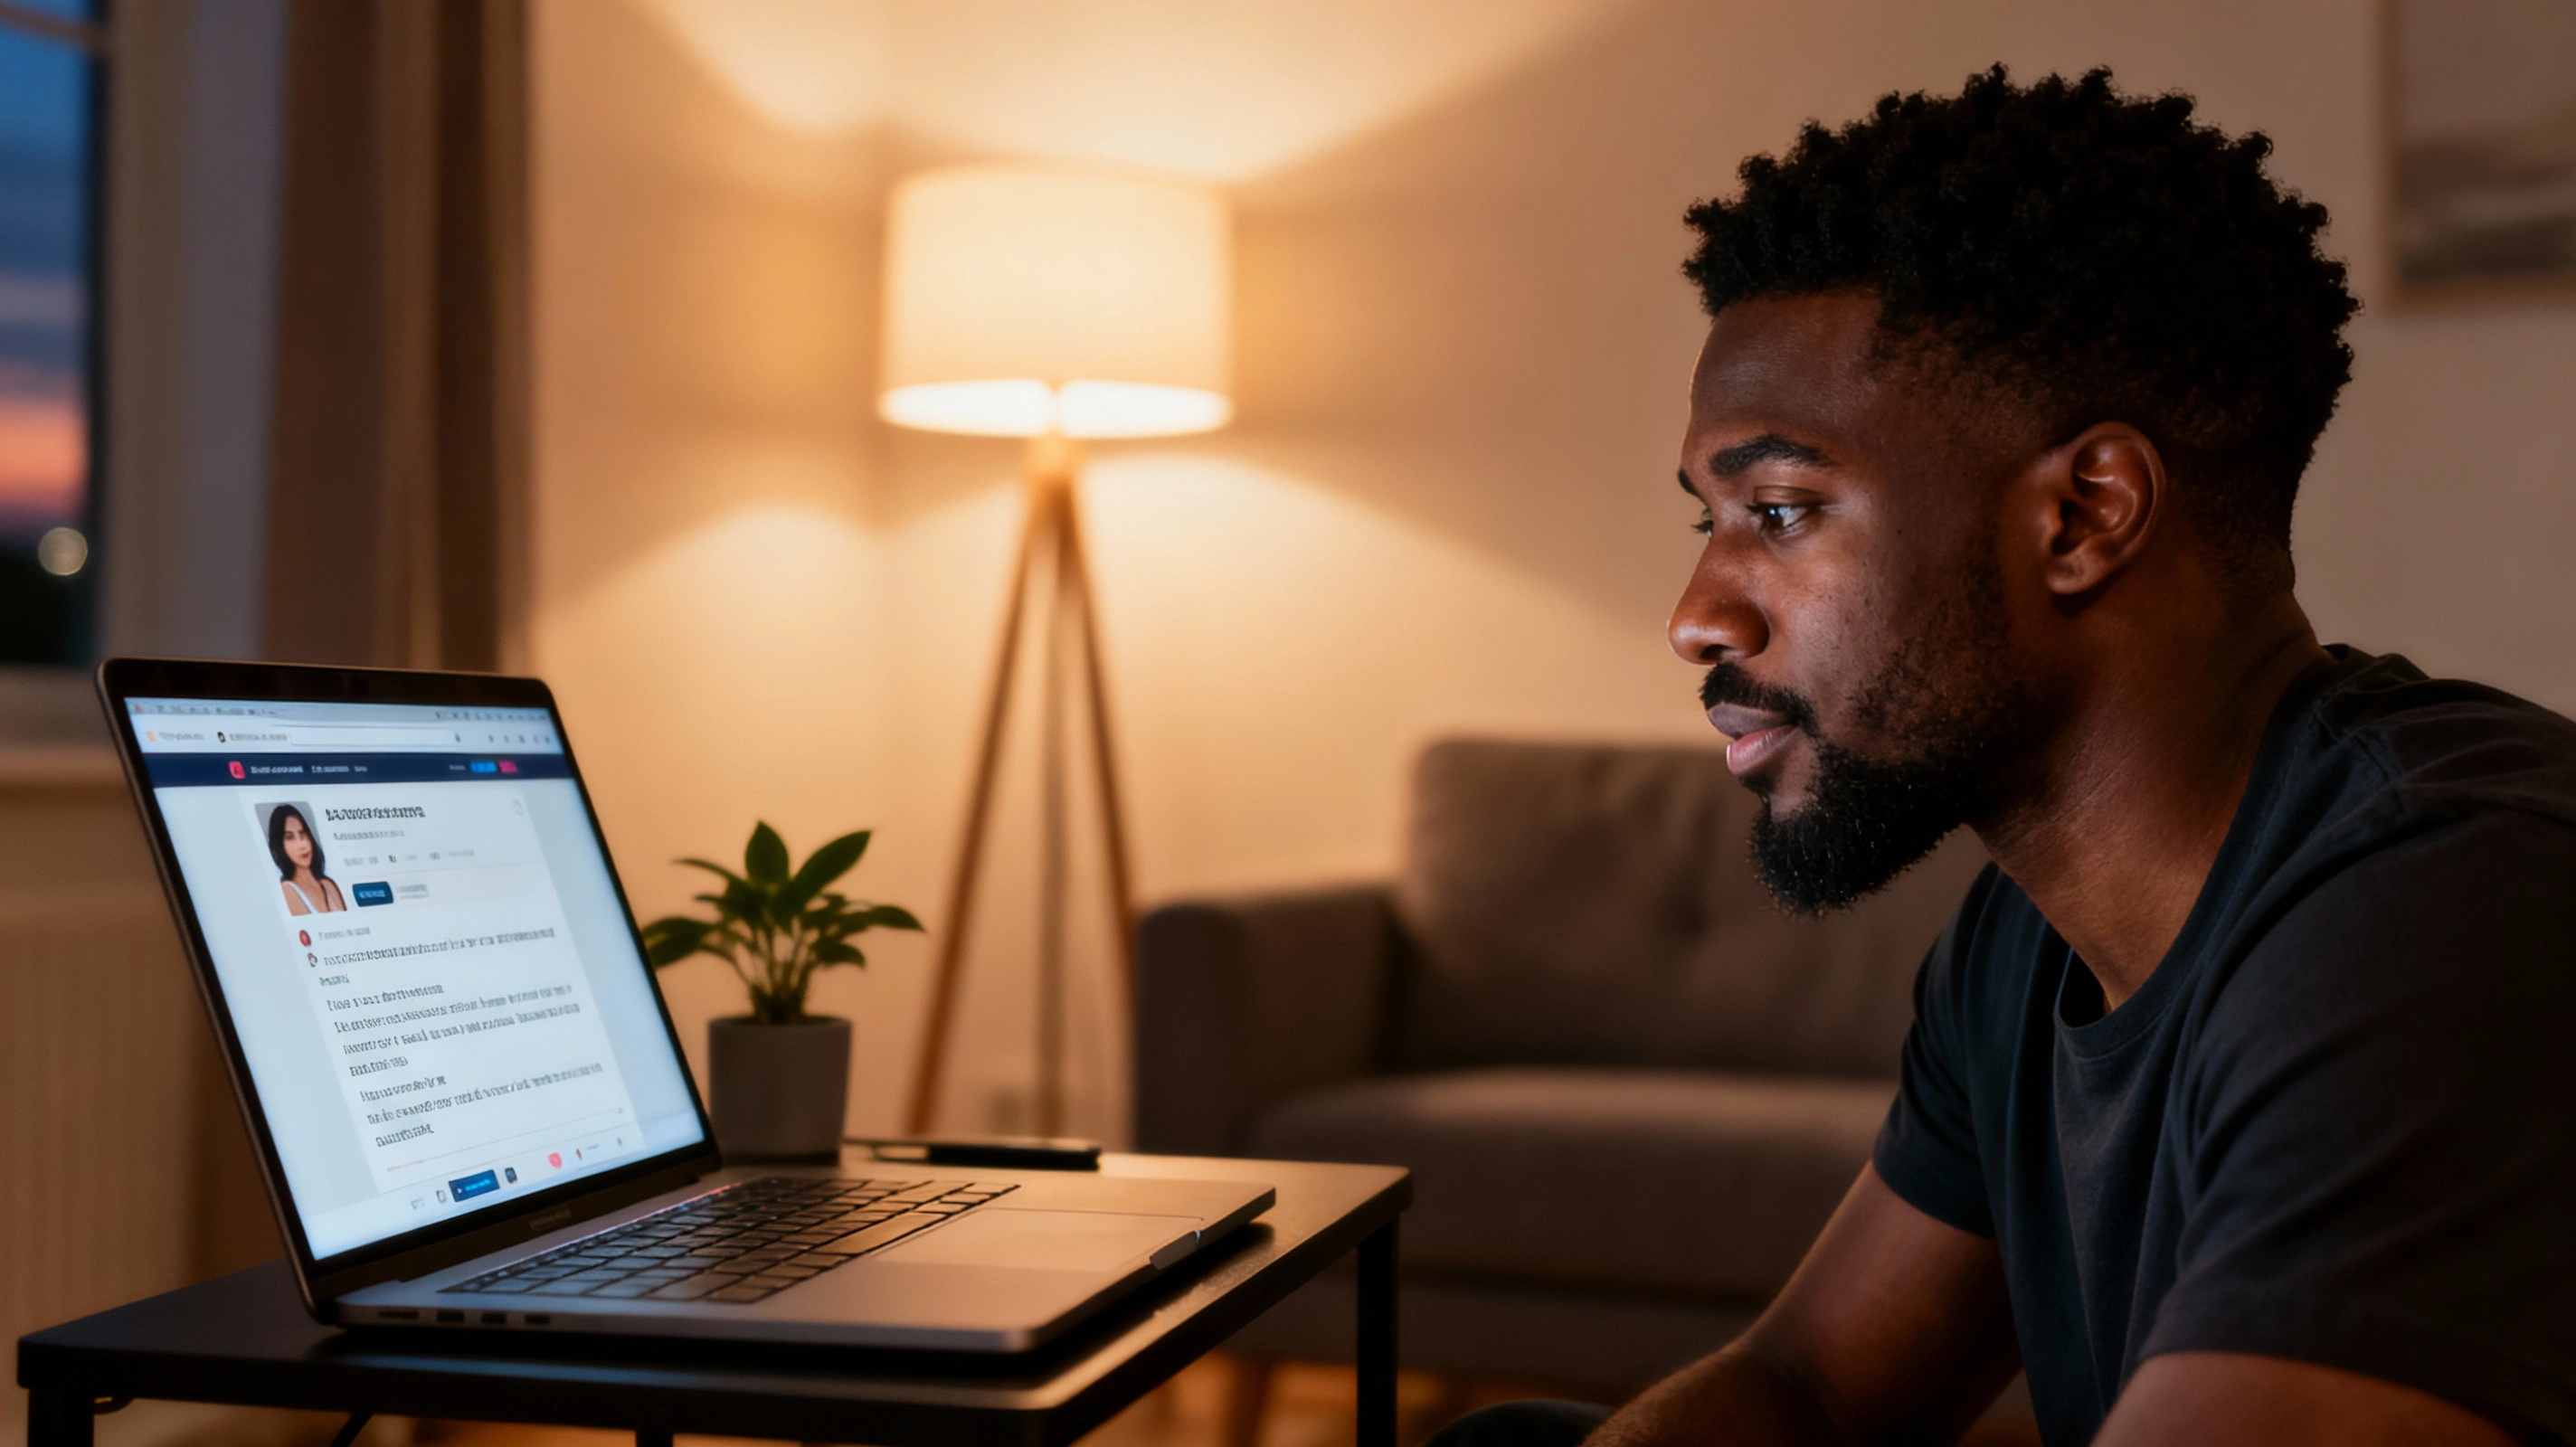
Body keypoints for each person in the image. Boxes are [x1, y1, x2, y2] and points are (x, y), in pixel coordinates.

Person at [1432, 67, 2576, 1447]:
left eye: (1781, 511)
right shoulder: (2022, 943)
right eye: (1709, 523)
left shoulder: (2452, 906)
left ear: (2085, 517)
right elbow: (1806, 1386)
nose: (1696, 619)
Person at [269, 803, 347, 916]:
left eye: (303, 834)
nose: (302, 845)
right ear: (279, 845)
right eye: (290, 837)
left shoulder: (328, 885)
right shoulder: (287, 891)